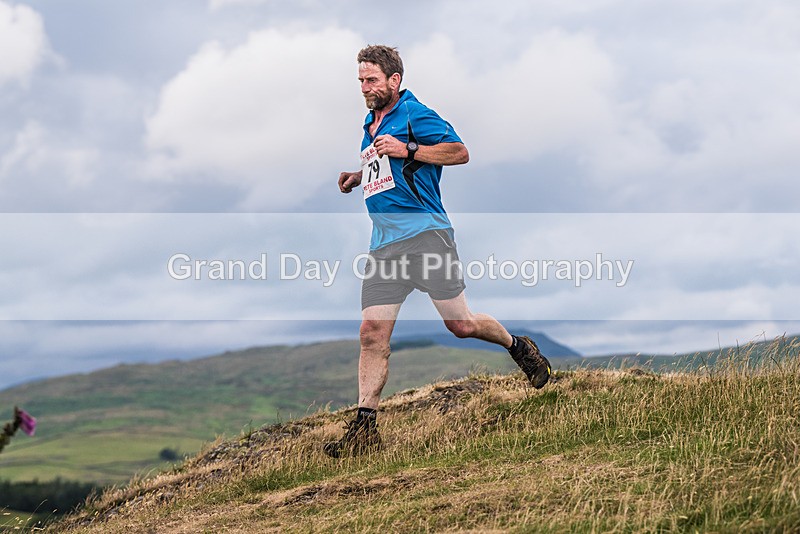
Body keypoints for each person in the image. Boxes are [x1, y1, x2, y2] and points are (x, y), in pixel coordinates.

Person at [324, 45, 551, 458]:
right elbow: (389, 165)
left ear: (394, 80)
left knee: (460, 325)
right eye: (360, 81)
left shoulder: (415, 114)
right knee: (371, 334)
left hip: (427, 236)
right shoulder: (371, 122)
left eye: (371, 80)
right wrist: (359, 176)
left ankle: (518, 345)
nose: (364, 87)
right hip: (384, 244)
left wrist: (407, 149)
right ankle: (364, 429)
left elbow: (459, 152)